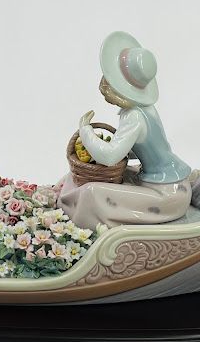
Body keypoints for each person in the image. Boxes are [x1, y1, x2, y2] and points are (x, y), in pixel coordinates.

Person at [57, 31, 192, 229]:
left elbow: (109, 157)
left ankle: (78, 233)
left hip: (167, 194)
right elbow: (143, 149)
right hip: (165, 184)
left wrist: (86, 132)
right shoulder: (145, 109)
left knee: (91, 192)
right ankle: (60, 209)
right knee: (78, 178)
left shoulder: (134, 116)